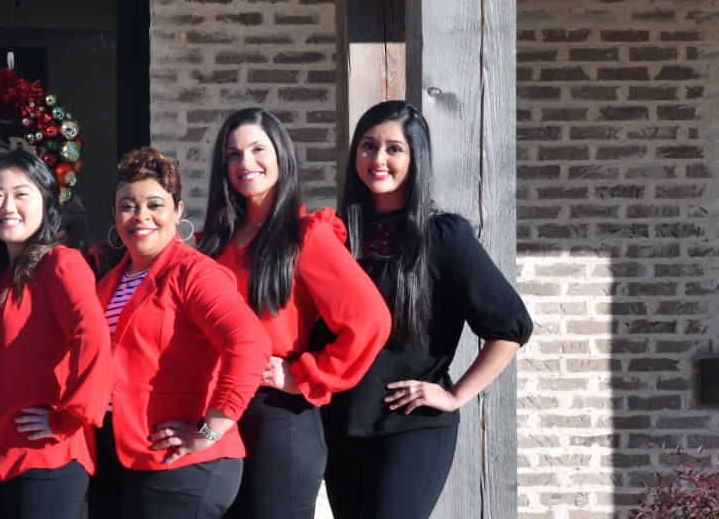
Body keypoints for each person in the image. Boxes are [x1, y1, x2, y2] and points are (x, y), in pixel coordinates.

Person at [324, 101, 533, 519]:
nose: (377, 159)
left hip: (409, 428)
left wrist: (456, 395)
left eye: (393, 149)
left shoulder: (442, 235)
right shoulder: (337, 237)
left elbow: (510, 327)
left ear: (416, 157)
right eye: (367, 146)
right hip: (338, 429)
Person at [197, 108, 391, 519]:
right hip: (220, 412)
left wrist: (306, 376)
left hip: (278, 416)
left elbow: (370, 320)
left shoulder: (305, 236)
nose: (245, 163)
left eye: (256, 150)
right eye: (233, 155)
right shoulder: (213, 242)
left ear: (281, 156)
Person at [87, 147, 270, 519]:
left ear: (178, 211)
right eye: (127, 205)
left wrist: (211, 429)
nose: (141, 217)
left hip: (180, 461)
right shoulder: (110, 281)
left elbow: (249, 343)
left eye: (155, 204)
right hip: (120, 456)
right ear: (114, 213)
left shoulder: (194, 273)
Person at [0, 149, 111, 519]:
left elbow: (94, 337)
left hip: (43, 456)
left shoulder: (60, 263)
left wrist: (68, 418)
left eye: (21, 194)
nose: (7, 206)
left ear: (46, 202)